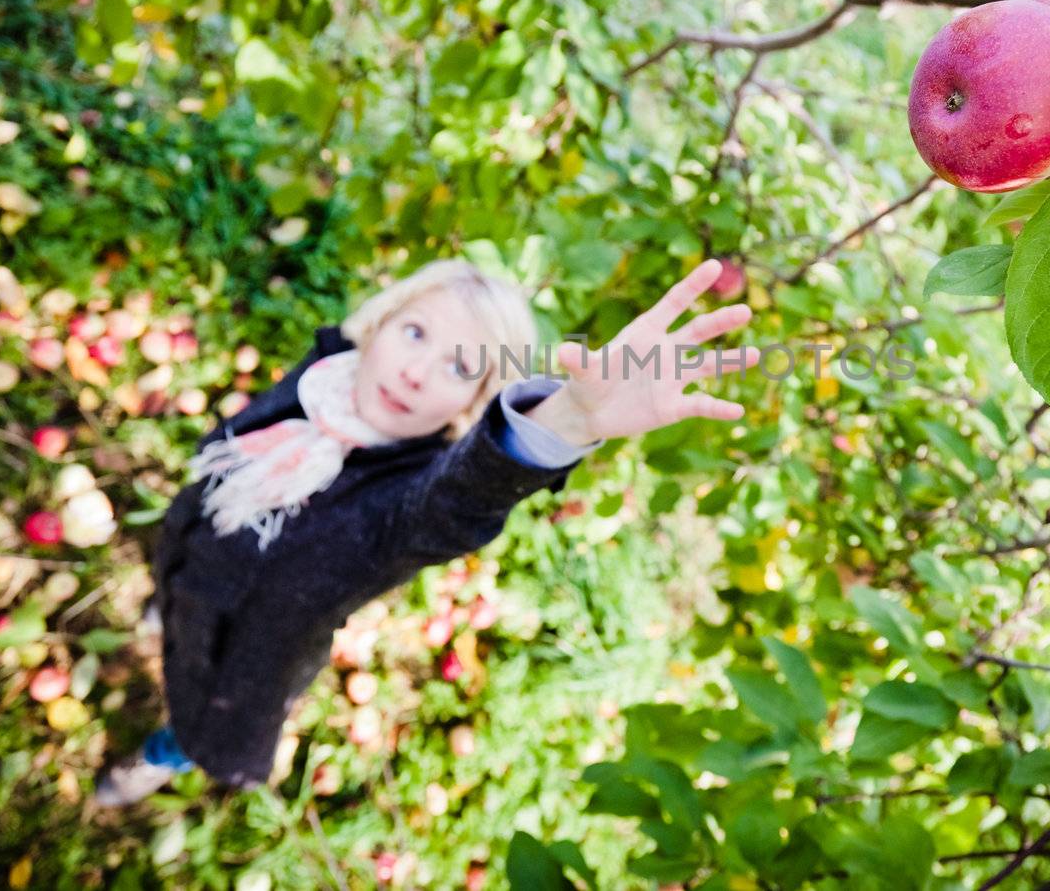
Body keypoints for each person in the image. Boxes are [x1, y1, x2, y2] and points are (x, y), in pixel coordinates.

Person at [91, 258, 761, 806]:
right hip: (192, 558)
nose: (415, 371)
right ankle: (164, 607)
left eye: (460, 367)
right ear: (379, 323)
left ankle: (155, 760)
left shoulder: (405, 502)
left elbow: (456, 501)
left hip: (242, 650)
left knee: (197, 721)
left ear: (473, 403)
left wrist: (571, 421)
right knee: (174, 594)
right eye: (414, 334)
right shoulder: (324, 380)